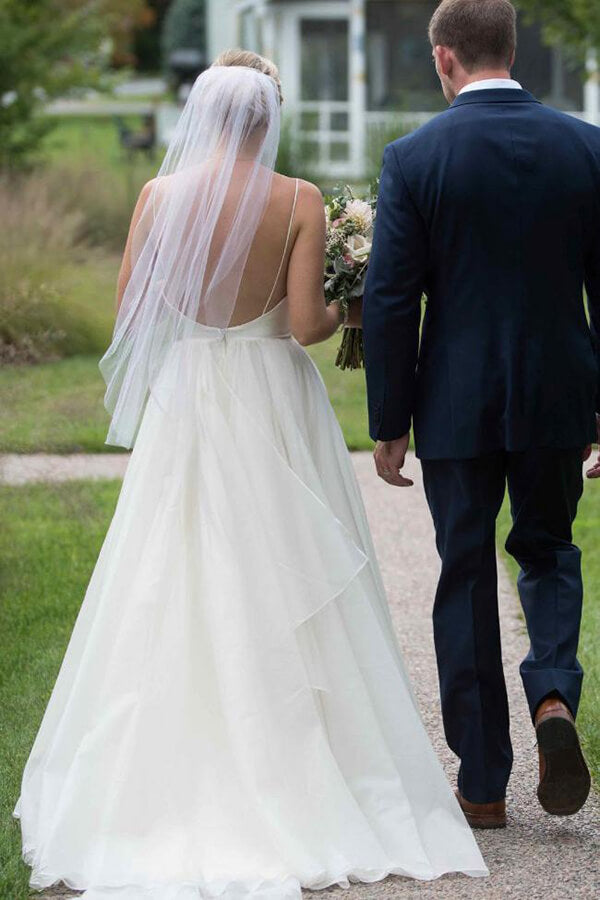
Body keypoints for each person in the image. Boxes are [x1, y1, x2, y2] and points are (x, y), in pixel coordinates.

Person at [13, 51, 488, 900]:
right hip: (271, 395)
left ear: (204, 118)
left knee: (174, 565)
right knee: (287, 566)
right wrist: (359, 286)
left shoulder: (160, 198)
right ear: (268, 121)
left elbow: (133, 313)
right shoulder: (299, 200)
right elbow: (305, 325)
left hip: (190, 395)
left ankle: (163, 763)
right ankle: (302, 758)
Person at [363, 0, 599, 831]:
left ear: (442, 59)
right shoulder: (587, 147)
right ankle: (554, 701)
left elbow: (389, 299)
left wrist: (390, 418)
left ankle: (483, 784)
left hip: (457, 403)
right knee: (548, 551)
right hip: (558, 396)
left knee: (464, 574)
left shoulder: (415, 156)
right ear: (511, 47)